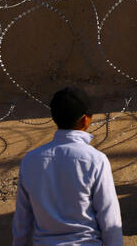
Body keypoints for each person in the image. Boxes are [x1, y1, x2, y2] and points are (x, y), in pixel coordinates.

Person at [13, 87, 122, 246]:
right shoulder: (96, 160)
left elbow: (22, 220)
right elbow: (109, 216)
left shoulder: (30, 160)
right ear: (85, 120)